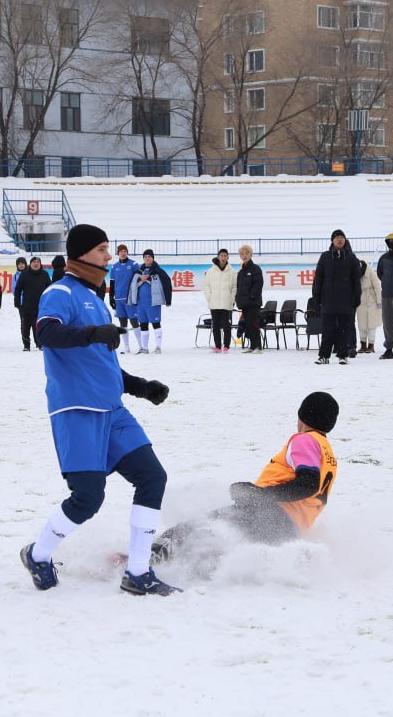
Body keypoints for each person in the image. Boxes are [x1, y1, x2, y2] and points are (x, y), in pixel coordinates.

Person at [19, 223, 180, 596]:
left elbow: (101, 363)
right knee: (88, 497)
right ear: (82, 254)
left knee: (152, 477)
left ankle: (138, 572)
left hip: (113, 411)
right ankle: (38, 554)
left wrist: (141, 387)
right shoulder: (60, 291)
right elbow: (45, 333)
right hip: (76, 411)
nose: (109, 256)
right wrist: (92, 334)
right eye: (102, 249)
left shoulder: (96, 299)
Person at [152, 392, 339, 562]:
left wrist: (260, 494)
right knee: (219, 545)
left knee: (198, 527)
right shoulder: (327, 452)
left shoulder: (305, 439)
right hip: (289, 530)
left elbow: (307, 484)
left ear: (302, 416)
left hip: (269, 514)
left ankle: (146, 559)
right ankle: (188, 568)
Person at [313, 229, 362, 365]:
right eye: (337, 238)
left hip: (346, 301)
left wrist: (357, 296)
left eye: (342, 237)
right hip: (328, 300)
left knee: (344, 329)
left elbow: (356, 280)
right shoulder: (325, 257)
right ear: (332, 241)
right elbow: (318, 278)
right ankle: (324, 356)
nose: (340, 240)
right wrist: (316, 297)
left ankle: (342, 355)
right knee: (327, 329)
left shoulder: (351, 258)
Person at [129, 249, 172, 354]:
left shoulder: (158, 271)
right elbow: (132, 286)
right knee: (143, 324)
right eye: (145, 257)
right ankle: (144, 348)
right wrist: (140, 280)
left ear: (153, 258)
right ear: (143, 258)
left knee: (155, 323)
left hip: (153, 302)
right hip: (140, 303)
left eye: (149, 256)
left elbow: (166, 284)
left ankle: (158, 347)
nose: (147, 258)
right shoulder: (138, 272)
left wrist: (148, 279)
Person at [203, 248, 237, 352]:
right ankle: (218, 346)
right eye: (221, 255)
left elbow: (234, 287)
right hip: (214, 302)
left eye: (225, 256)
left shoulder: (231, 272)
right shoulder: (210, 271)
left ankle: (226, 346)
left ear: (228, 258)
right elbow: (206, 286)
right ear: (218, 257)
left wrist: (231, 299)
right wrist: (209, 297)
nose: (223, 258)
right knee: (216, 325)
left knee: (226, 324)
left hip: (226, 302)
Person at [14, 256, 51, 352]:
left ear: (40, 264)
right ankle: (26, 345)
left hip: (41, 306)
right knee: (25, 326)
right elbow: (18, 289)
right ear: (30, 264)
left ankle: (40, 344)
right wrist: (17, 303)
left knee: (38, 326)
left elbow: (50, 289)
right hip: (26, 306)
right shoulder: (24, 275)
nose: (36, 263)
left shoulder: (45, 274)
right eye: (34, 262)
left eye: (38, 262)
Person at [108, 244, 140, 354]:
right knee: (123, 323)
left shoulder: (134, 264)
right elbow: (112, 282)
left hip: (130, 298)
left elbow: (139, 280)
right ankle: (126, 347)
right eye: (121, 251)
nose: (123, 252)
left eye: (125, 250)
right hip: (119, 298)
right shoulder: (114, 266)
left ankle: (141, 345)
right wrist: (111, 297)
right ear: (118, 253)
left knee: (134, 321)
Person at [236, 244, 264, 353]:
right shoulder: (241, 272)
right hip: (244, 304)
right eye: (242, 254)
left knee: (254, 324)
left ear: (251, 255)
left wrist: (252, 296)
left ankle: (258, 347)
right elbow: (239, 288)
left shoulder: (255, 268)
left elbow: (258, 284)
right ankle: (252, 346)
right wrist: (238, 299)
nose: (244, 256)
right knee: (247, 325)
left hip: (253, 303)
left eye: (246, 253)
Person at [356, 259, 381, 354]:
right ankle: (362, 345)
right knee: (361, 324)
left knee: (372, 325)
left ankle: (371, 345)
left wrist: (379, 302)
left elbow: (377, 287)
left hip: (372, 301)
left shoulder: (370, 271)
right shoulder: (355, 271)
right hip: (360, 301)